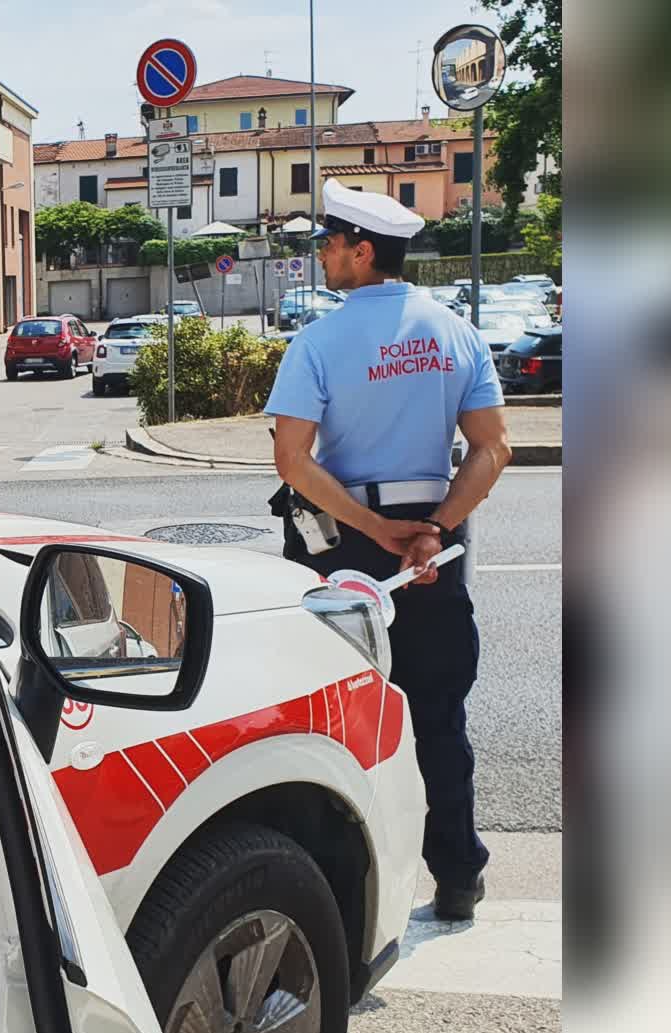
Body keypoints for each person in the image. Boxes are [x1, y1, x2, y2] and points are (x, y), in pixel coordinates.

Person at [264, 181, 512, 922]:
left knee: (335, 718)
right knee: (438, 713)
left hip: (345, 545)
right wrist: (436, 527)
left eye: (328, 244)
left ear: (361, 252)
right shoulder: (456, 331)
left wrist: (376, 532)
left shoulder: (318, 340)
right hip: (434, 549)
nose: (322, 256)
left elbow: (293, 461)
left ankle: (344, 890)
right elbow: (492, 446)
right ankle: (459, 875)